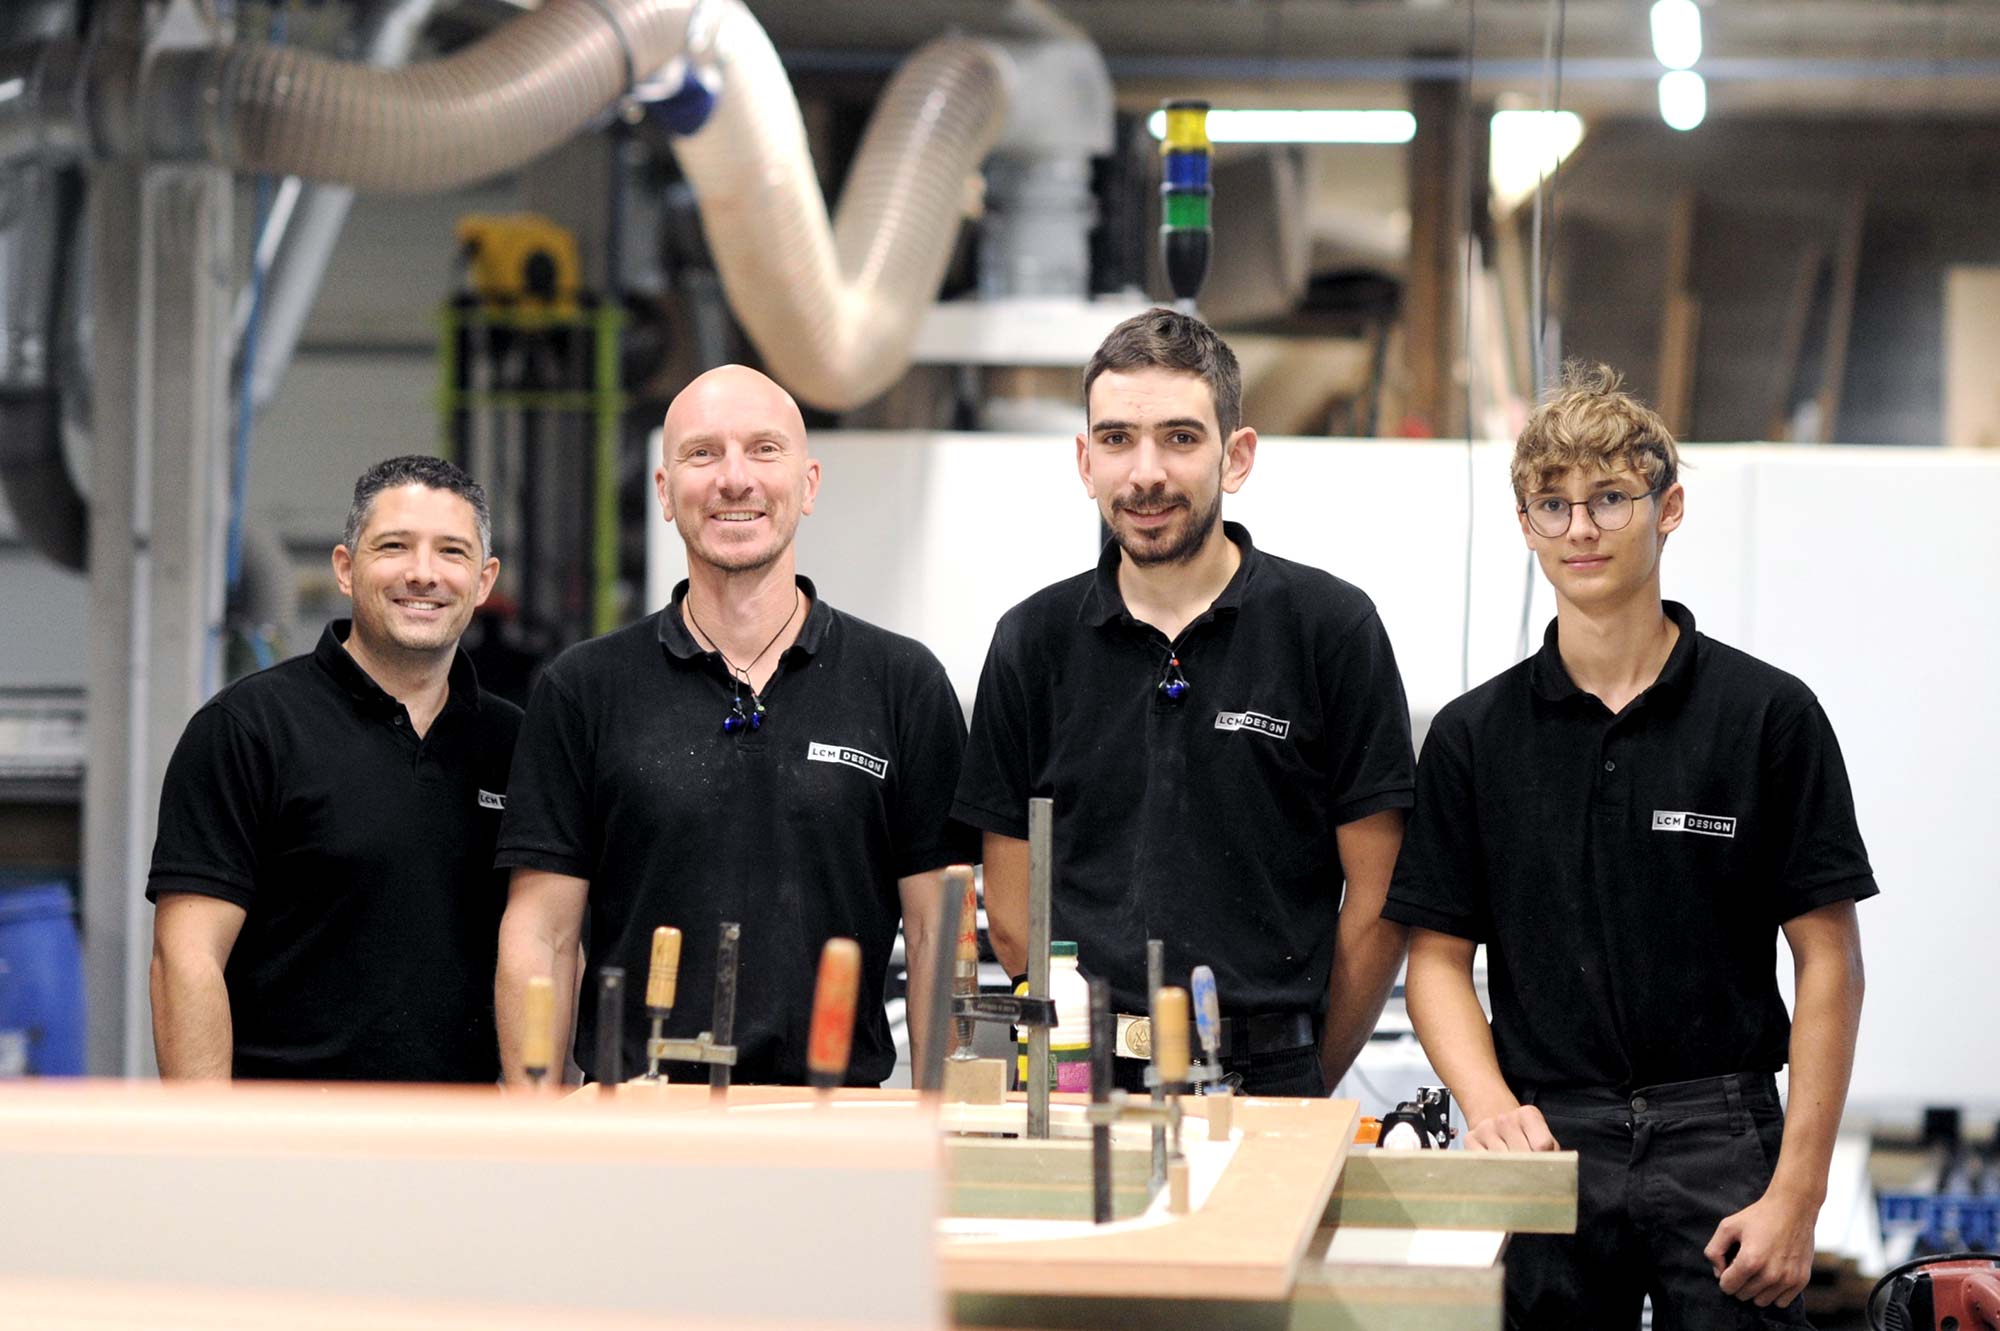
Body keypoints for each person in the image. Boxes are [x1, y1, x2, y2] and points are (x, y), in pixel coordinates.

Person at [1383, 366, 1873, 1328]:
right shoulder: (1475, 738)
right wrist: (1486, 1104)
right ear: (1524, 523)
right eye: (1554, 505)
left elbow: (1830, 961)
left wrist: (1798, 1193)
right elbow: (1435, 960)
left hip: (1724, 1136)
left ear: (1669, 506)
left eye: (1610, 498)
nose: (1581, 529)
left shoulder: (1767, 717)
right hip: (1548, 1137)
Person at [952, 308, 1415, 1096]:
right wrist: (1072, 1061)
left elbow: (1377, 901)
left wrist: (1303, 1070)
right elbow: (1009, 905)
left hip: (1270, 1071)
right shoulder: (1032, 643)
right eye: (1116, 439)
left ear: (1236, 456)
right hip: (1079, 1074)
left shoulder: (1330, 630)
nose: (1145, 473)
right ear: (1084, 460)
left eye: (1180, 437)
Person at [493, 364, 972, 1087]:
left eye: (763, 449)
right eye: (702, 453)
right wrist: (540, 1118)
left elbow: (940, 932)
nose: (734, 478)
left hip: (833, 1126)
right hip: (638, 1125)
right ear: (664, 492)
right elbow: (543, 932)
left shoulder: (902, 684)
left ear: (808, 484)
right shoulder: (584, 689)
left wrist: (944, 1125)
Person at [148, 455, 520, 1081]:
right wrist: (206, 1150)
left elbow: (557, 949)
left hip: (466, 1150)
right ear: (346, 569)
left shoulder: (519, 744)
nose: (422, 574)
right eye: (394, 547)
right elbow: (185, 960)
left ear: (483, 581)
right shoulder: (249, 729)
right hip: (291, 1151)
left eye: (451, 552)